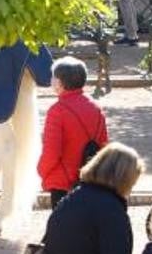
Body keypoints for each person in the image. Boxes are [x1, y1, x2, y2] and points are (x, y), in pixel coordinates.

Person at [37, 56, 108, 208]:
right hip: (90, 179)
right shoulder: (96, 107)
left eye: (53, 77)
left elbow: (52, 152)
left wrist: (42, 171)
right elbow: (104, 145)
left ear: (59, 83)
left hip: (62, 182)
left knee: (63, 228)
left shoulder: (57, 111)